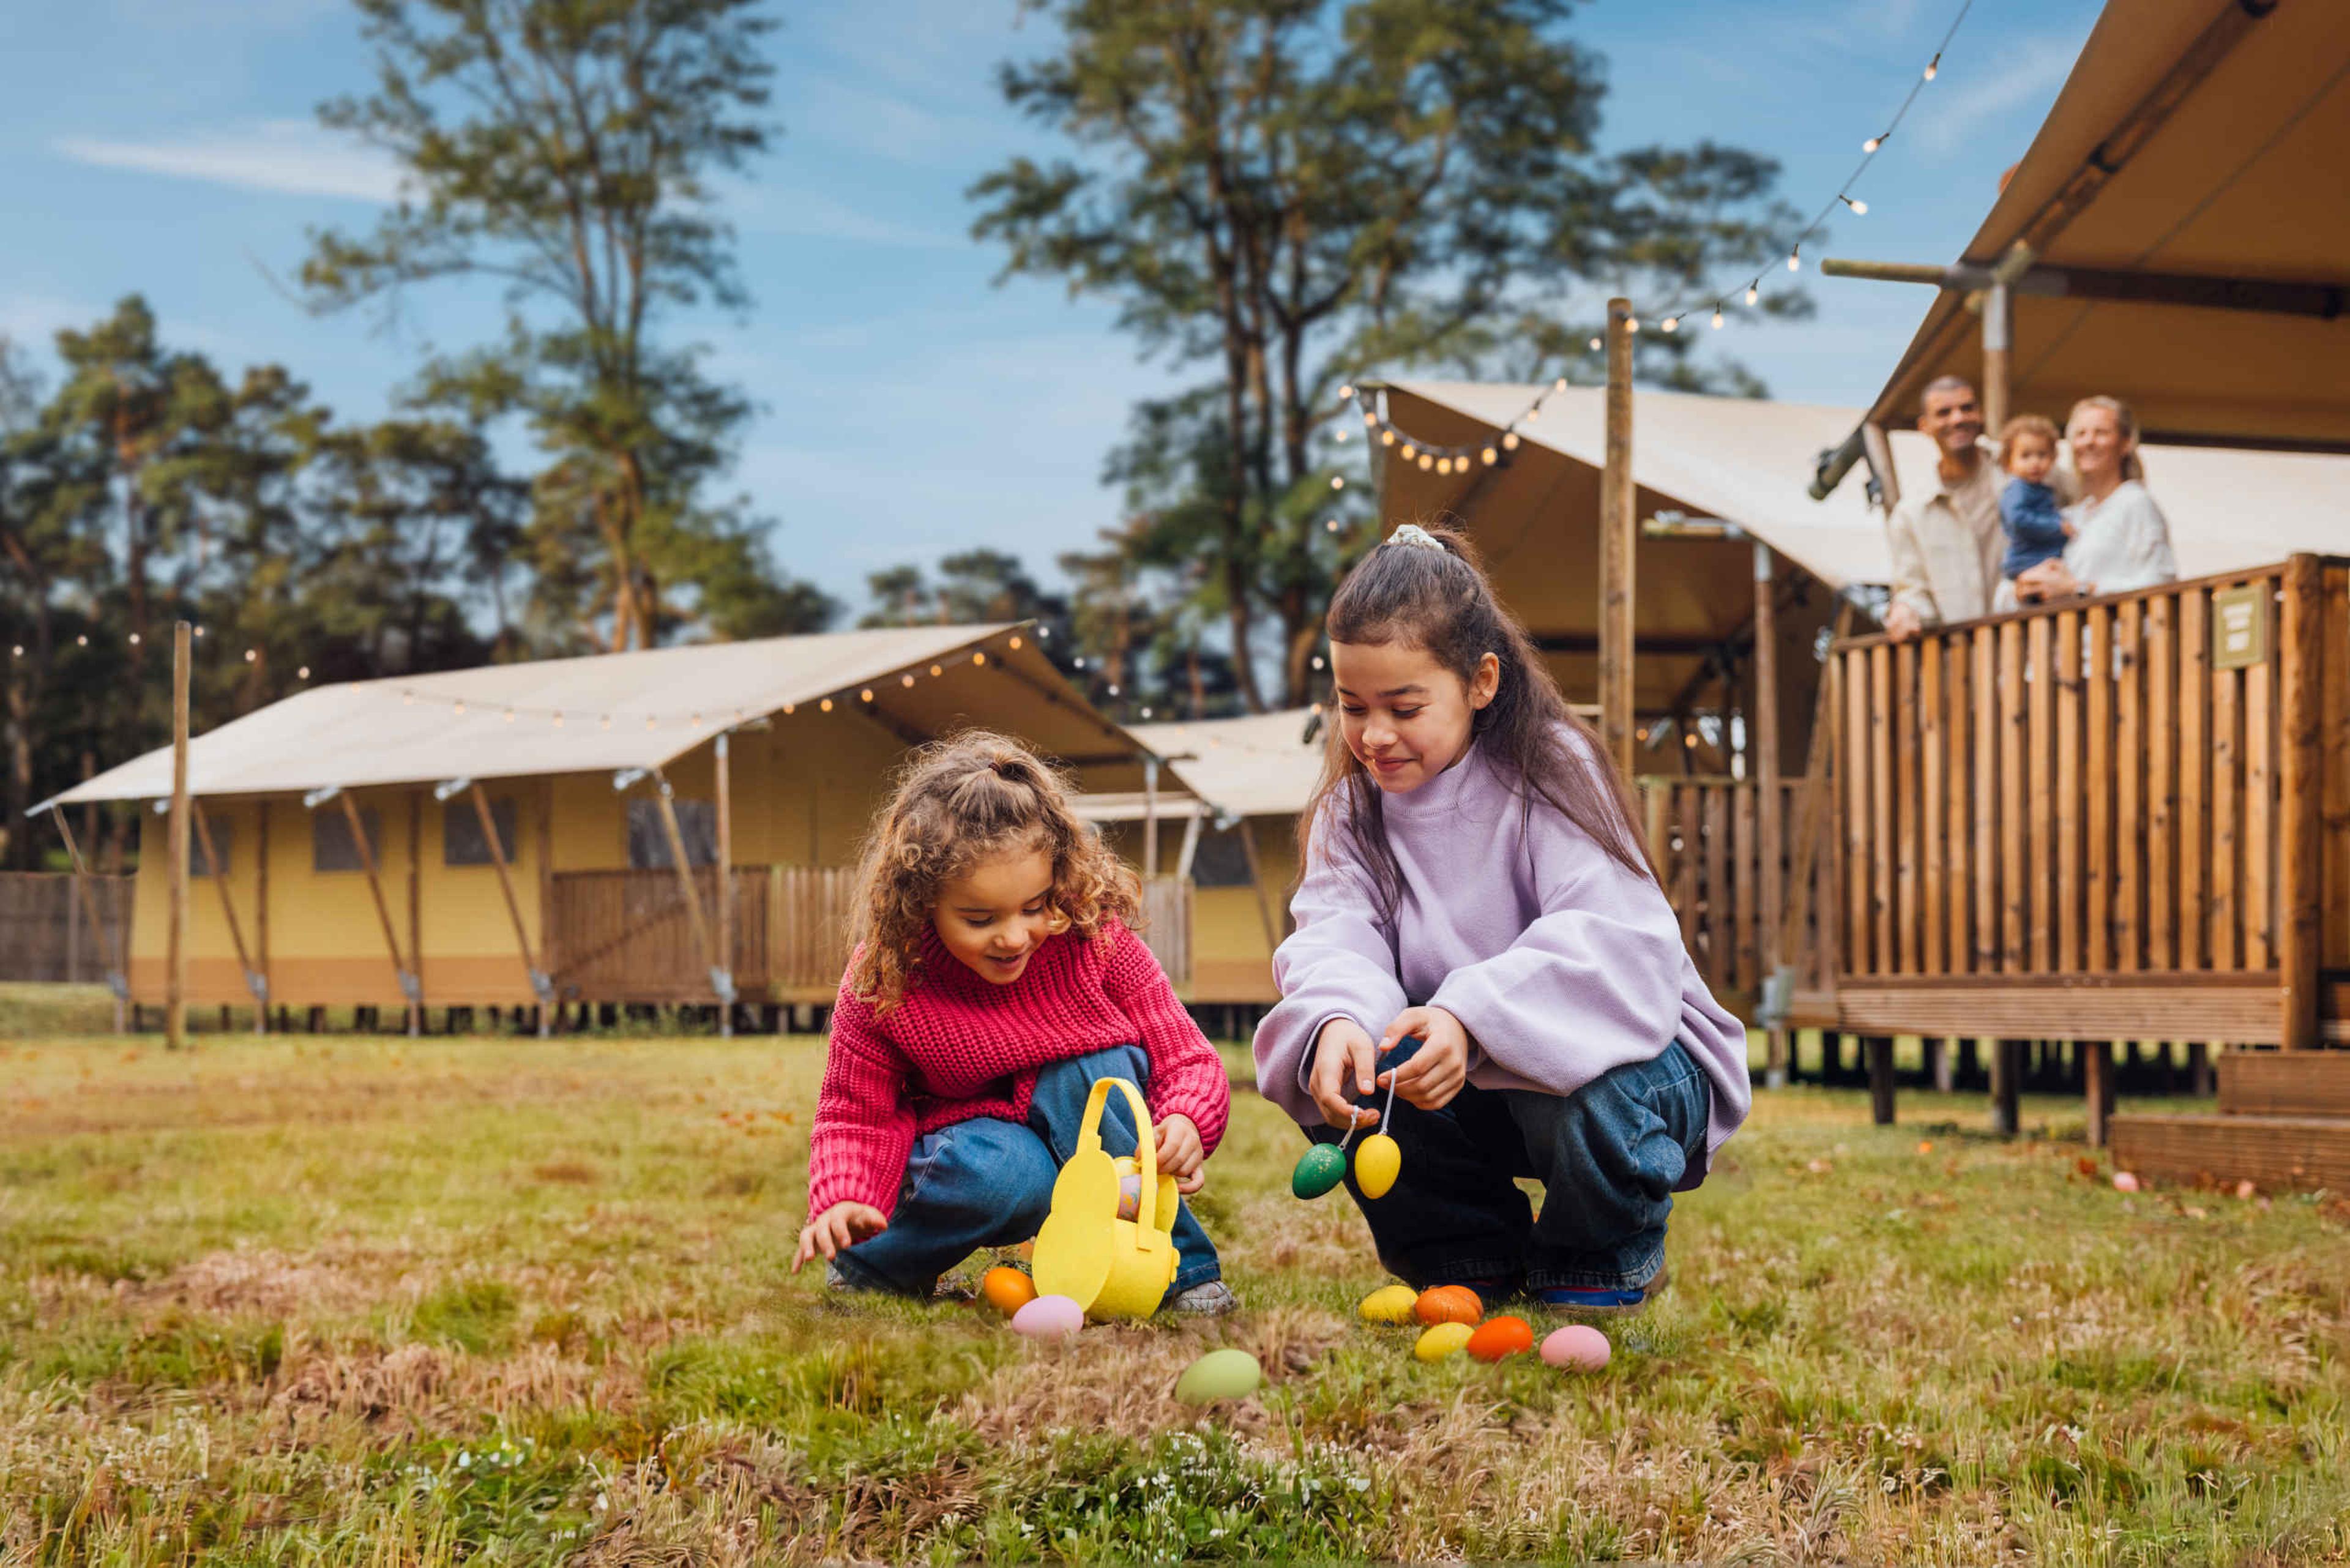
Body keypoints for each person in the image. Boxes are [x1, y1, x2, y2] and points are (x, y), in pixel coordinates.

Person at [1252, 523, 1751, 1316]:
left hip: (1642, 1065)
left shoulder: (1548, 770)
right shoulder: (1352, 811)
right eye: (1353, 706)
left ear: (1481, 680)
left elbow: (1611, 941)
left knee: (1590, 1084)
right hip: (1475, 1082)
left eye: (1404, 706)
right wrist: (1341, 1016)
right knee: (1355, 1069)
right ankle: (1466, 1247)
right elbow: (1337, 930)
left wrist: (1468, 1015)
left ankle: (1601, 1244)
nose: (1374, 734)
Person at [794, 731, 1236, 1313]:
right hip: (973, 1151)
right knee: (1008, 1173)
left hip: (1090, 1132)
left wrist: (1184, 1118)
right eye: (980, 918)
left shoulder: (1094, 941)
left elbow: (1187, 1056)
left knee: (1093, 1068)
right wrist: (842, 1199)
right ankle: (874, 1264)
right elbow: (856, 1110)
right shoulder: (889, 976)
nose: (1013, 936)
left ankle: (1176, 1268)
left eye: (1035, 908)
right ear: (923, 900)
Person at [2013, 395, 2176, 604]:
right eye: (2081, 434)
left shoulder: (2136, 503)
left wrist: (2079, 589)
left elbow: (2161, 582)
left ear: (2125, 443)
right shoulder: (2070, 515)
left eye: (2101, 433)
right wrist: (2027, 586)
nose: (2089, 442)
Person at [1883, 376, 2002, 641]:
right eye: (1944, 413)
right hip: (1965, 662)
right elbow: (1914, 590)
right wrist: (1905, 609)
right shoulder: (1911, 513)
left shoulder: (2016, 470)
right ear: (1925, 426)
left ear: (1980, 414)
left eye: (1967, 408)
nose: (1958, 419)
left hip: (2037, 652)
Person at [1995, 413, 2070, 587]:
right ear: (2009, 462)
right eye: (2026, 456)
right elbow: (2017, 519)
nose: (2035, 463)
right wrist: (2057, 526)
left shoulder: (2041, 489)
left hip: (2041, 556)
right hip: (2028, 560)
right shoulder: (2018, 489)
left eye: (2042, 455)